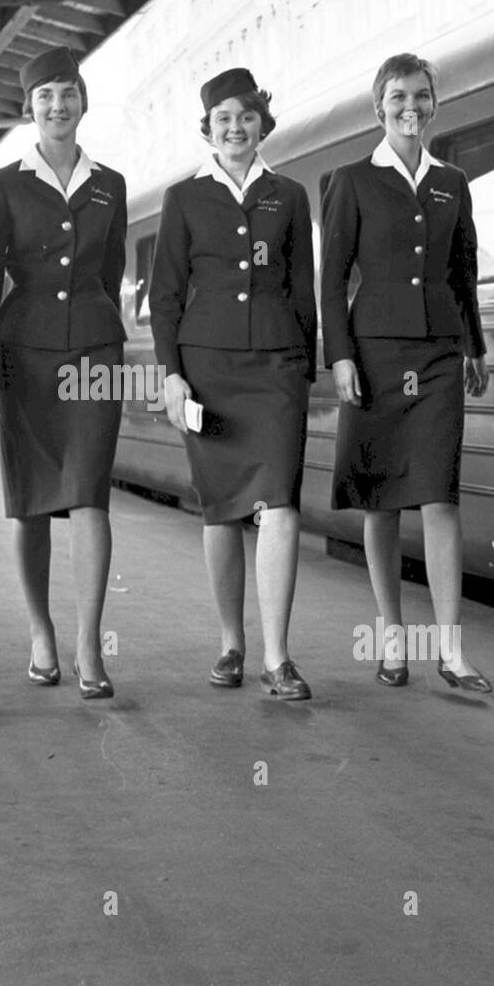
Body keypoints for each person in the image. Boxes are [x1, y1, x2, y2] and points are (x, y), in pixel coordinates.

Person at [320, 52, 492, 693]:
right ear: (379, 106)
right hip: (375, 355)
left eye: (421, 96)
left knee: (441, 495)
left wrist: (475, 345)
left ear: (434, 104)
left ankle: (450, 649)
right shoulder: (352, 180)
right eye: (398, 97)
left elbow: (463, 272)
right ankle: (393, 637)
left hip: (442, 355)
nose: (410, 108)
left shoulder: (453, 181)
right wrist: (340, 355)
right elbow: (331, 279)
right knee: (382, 500)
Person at [150, 67, 317, 701]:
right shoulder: (184, 198)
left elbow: (303, 288)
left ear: (261, 123)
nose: (235, 127)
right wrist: (171, 375)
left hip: (276, 368)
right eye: (223, 118)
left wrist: (306, 367)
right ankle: (231, 644)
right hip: (208, 368)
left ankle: (278, 656)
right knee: (221, 509)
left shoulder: (290, 195)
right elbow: (165, 297)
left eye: (246, 116)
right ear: (208, 129)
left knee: (279, 503)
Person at [0, 47, 127, 700]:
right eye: (44, 95)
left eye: (67, 92)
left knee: (90, 492)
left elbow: (110, 270)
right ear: (30, 107)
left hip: (95, 352)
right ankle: (41, 633)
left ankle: (89, 646)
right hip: (26, 352)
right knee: (31, 500)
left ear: (83, 100)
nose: (57, 105)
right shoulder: (4, 185)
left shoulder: (110, 184)